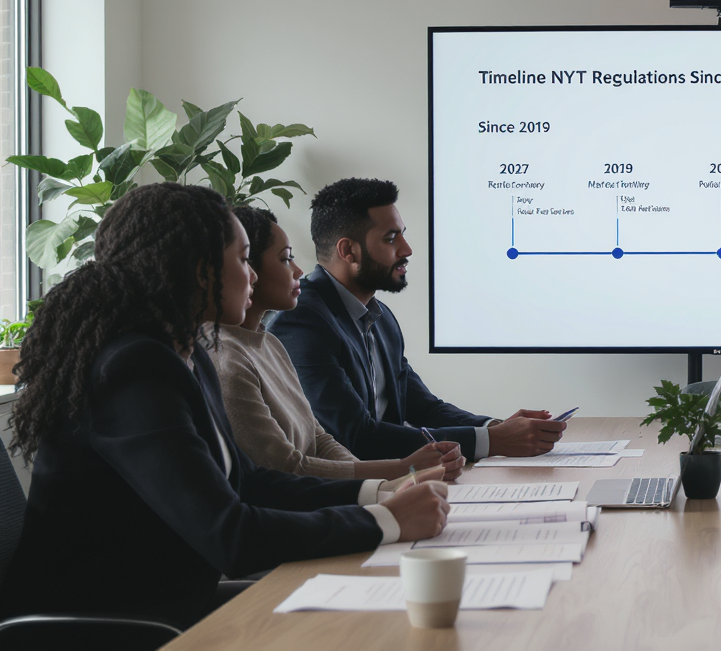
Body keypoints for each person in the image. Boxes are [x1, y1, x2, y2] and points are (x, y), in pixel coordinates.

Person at [0, 184, 450, 628]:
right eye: (242, 259)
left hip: (170, 602)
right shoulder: (132, 370)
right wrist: (384, 521)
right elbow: (230, 537)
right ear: (203, 272)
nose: (252, 275)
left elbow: (251, 484)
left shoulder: (190, 354)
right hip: (102, 624)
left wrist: (379, 492)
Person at [269, 178, 565, 461]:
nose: (407, 249)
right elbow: (356, 437)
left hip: (398, 479)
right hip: (352, 490)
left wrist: (494, 427)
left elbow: (424, 407)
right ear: (348, 251)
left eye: (402, 234)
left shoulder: (380, 318)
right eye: (391, 238)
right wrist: (493, 441)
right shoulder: (302, 322)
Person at [208, 205, 465, 481]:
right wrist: (403, 471)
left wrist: (378, 487)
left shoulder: (269, 343)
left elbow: (320, 439)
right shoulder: (230, 358)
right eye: (285, 259)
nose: (298, 270)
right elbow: (286, 468)